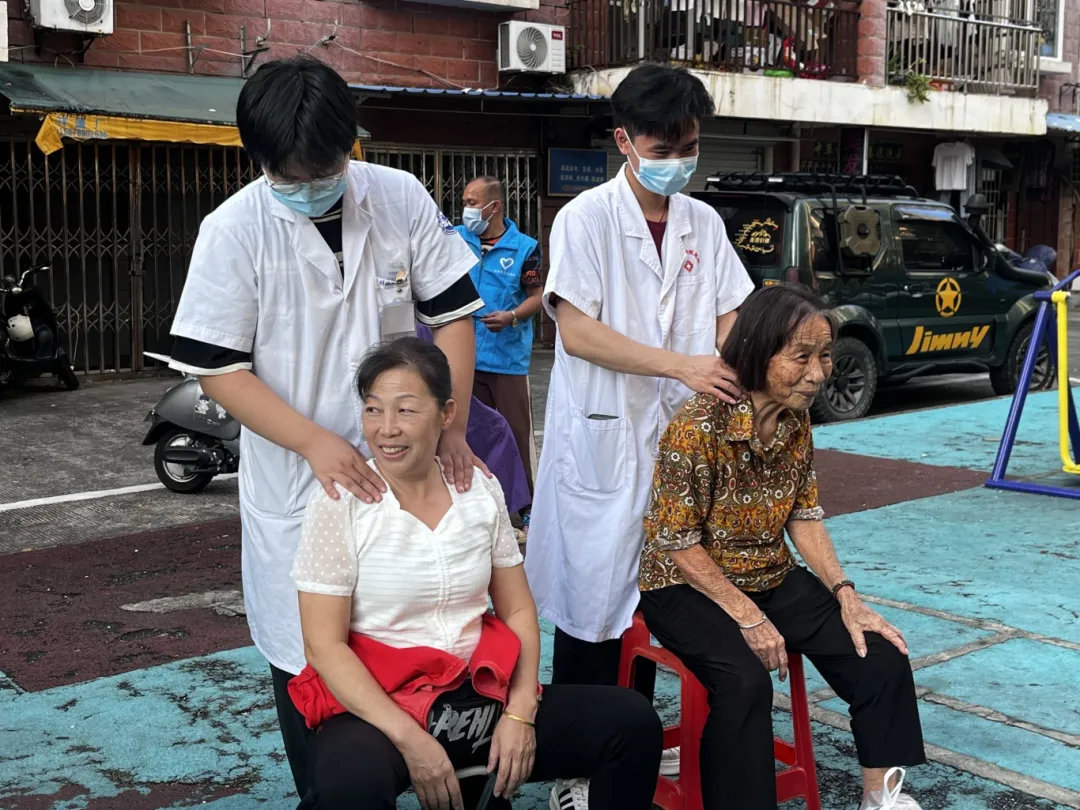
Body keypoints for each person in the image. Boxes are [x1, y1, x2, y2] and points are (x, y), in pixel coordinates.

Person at [167, 56, 487, 808]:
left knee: (428, 637)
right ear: (258, 158)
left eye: (327, 169)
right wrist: (314, 442)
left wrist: (451, 422)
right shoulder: (233, 230)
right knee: (311, 665)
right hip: (300, 482)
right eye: (292, 176)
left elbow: (452, 316)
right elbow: (218, 370)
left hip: (408, 467)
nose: (312, 185)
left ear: (352, 145)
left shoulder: (398, 196)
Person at [288, 338, 663, 810]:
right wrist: (411, 740)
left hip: (477, 692)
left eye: (406, 410)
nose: (386, 429)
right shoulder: (340, 501)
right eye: (373, 409)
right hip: (383, 703)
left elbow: (518, 609)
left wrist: (521, 712)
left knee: (630, 723)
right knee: (348, 784)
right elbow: (324, 645)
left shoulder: (478, 490)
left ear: (446, 414)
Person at [523, 63, 754, 805]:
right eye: (662, 149)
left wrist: (735, 361)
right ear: (624, 141)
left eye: (689, 146)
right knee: (591, 612)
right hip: (605, 441)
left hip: (680, 446)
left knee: (657, 600)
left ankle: (635, 748)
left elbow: (730, 308)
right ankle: (575, 770)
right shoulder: (585, 218)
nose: (678, 161)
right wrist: (681, 365)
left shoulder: (702, 223)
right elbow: (579, 332)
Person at [639, 285, 926, 810]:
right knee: (745, 682)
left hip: (768, 573)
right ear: (758, 351)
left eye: (825, 356)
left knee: (880, 654)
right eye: (801, 357)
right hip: (684, 584)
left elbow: (803, 513)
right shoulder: (697, 426)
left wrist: (845, 594)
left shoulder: (796, 419)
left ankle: (879, 797)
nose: (818, 374)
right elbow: (676, 541)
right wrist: (748, 616)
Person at [457, 176, 543, 535]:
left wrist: (512, 316)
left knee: (514, 433)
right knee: (467, 432)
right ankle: (475, 501)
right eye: (465, 201)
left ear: (494, 206)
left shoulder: (525, 248)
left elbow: (537, 297)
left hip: (506, 359)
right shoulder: (456, 239)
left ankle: (525, 507)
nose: (466, 210)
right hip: (462, 356)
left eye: (472, 203)